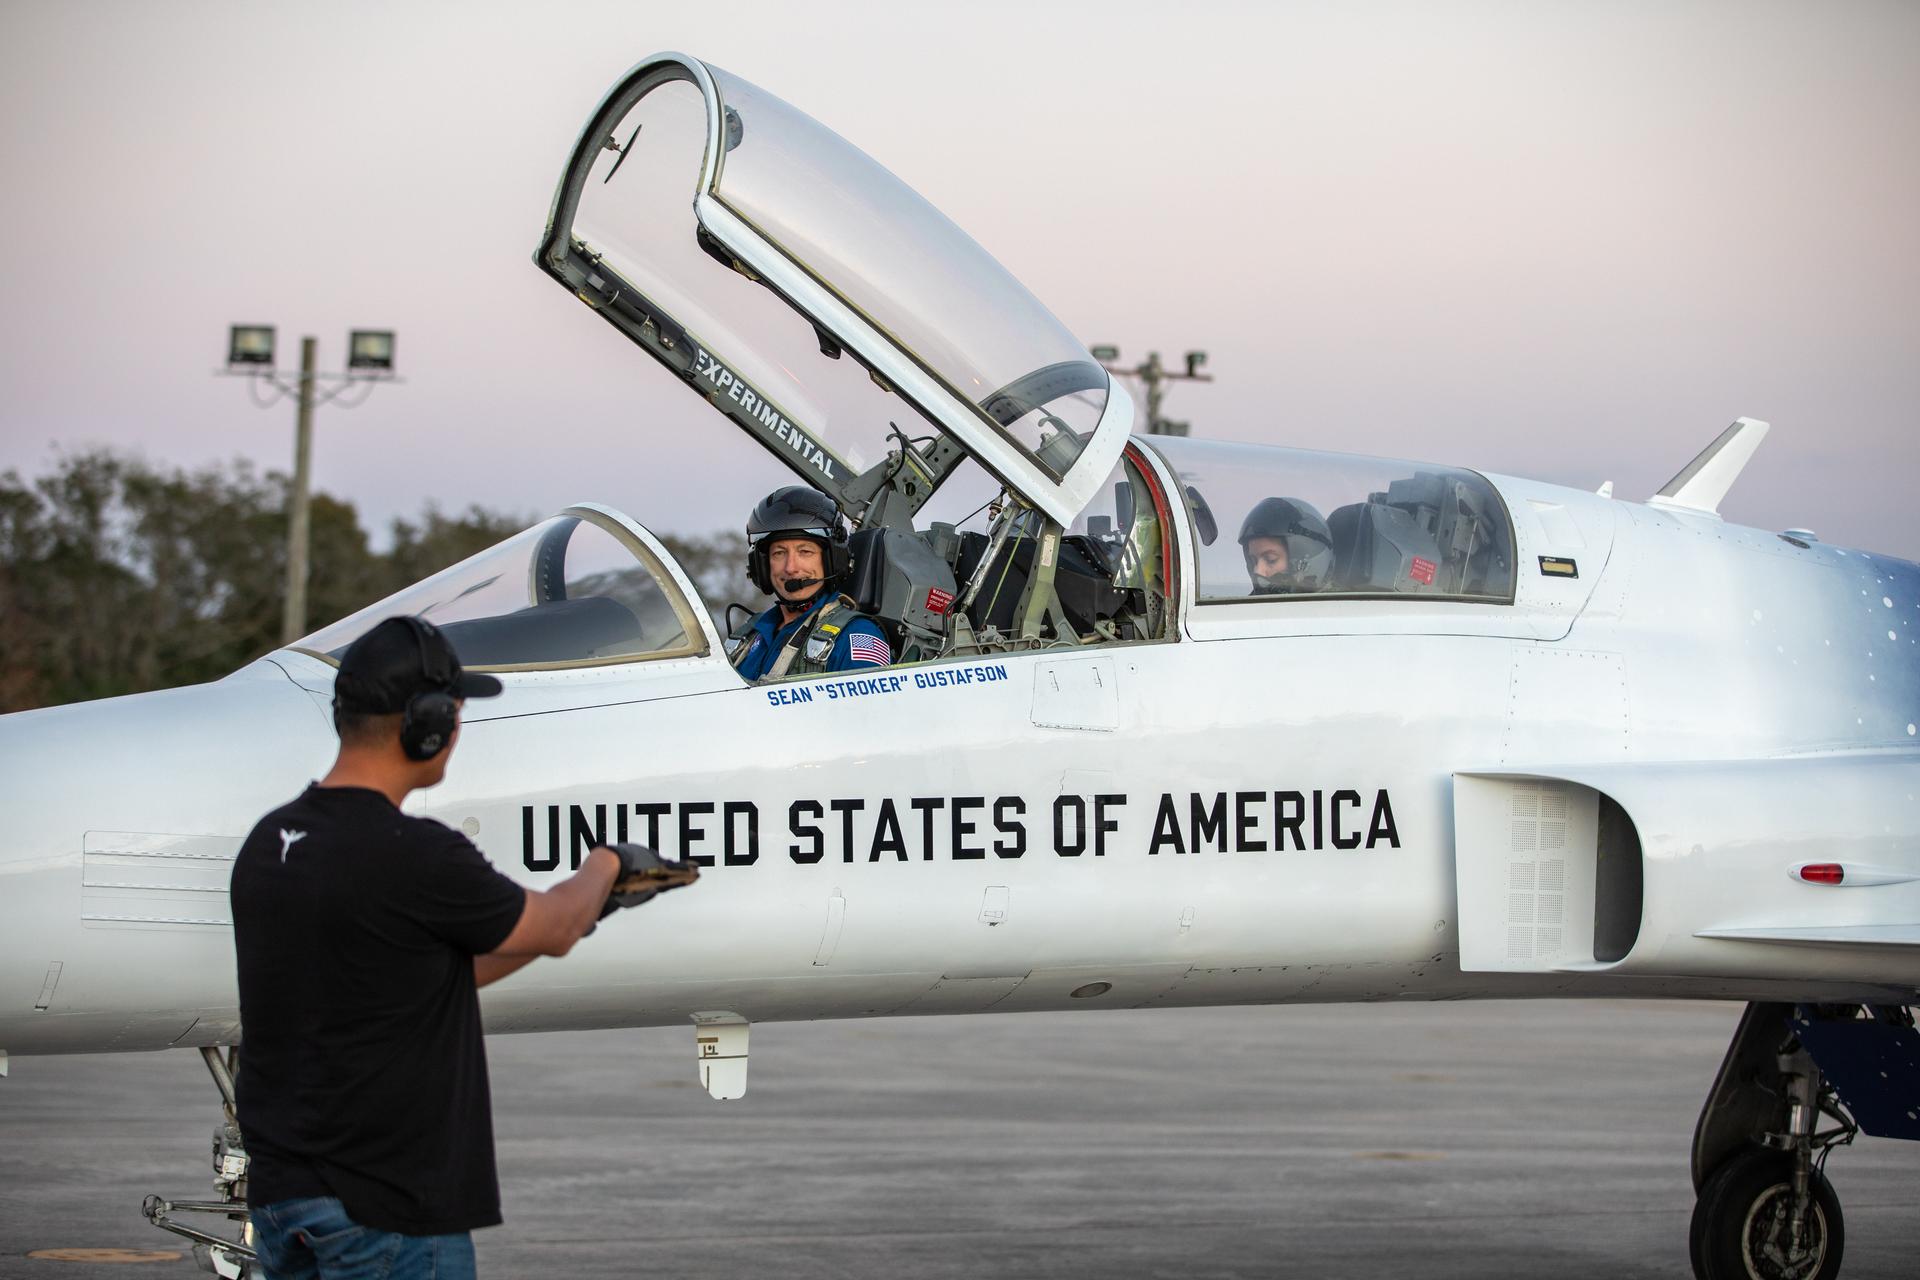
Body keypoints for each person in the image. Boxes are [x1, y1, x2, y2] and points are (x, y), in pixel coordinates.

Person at [230, 614, 686, 1280]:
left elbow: (417, 974)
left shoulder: (271, 843)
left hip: (285, 1204)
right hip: (387, 1215)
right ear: (429, 722)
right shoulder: (416, 855)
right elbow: (554, 925)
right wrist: (608, 868)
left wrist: (589, 915)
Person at [731, 485, 893, 681]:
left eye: (805, 552)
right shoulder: (749, 635)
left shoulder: (857, 636)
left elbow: (870, 711)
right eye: (779, 553)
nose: (790, 567)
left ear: (832, 560)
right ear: (762, 566)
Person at [1238, 496, 1335, 595]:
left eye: (1270, 560)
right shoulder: (1248, 607)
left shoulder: (1334, 607)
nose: (1257, 571)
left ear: (1303, 564)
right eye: (1253, 561)